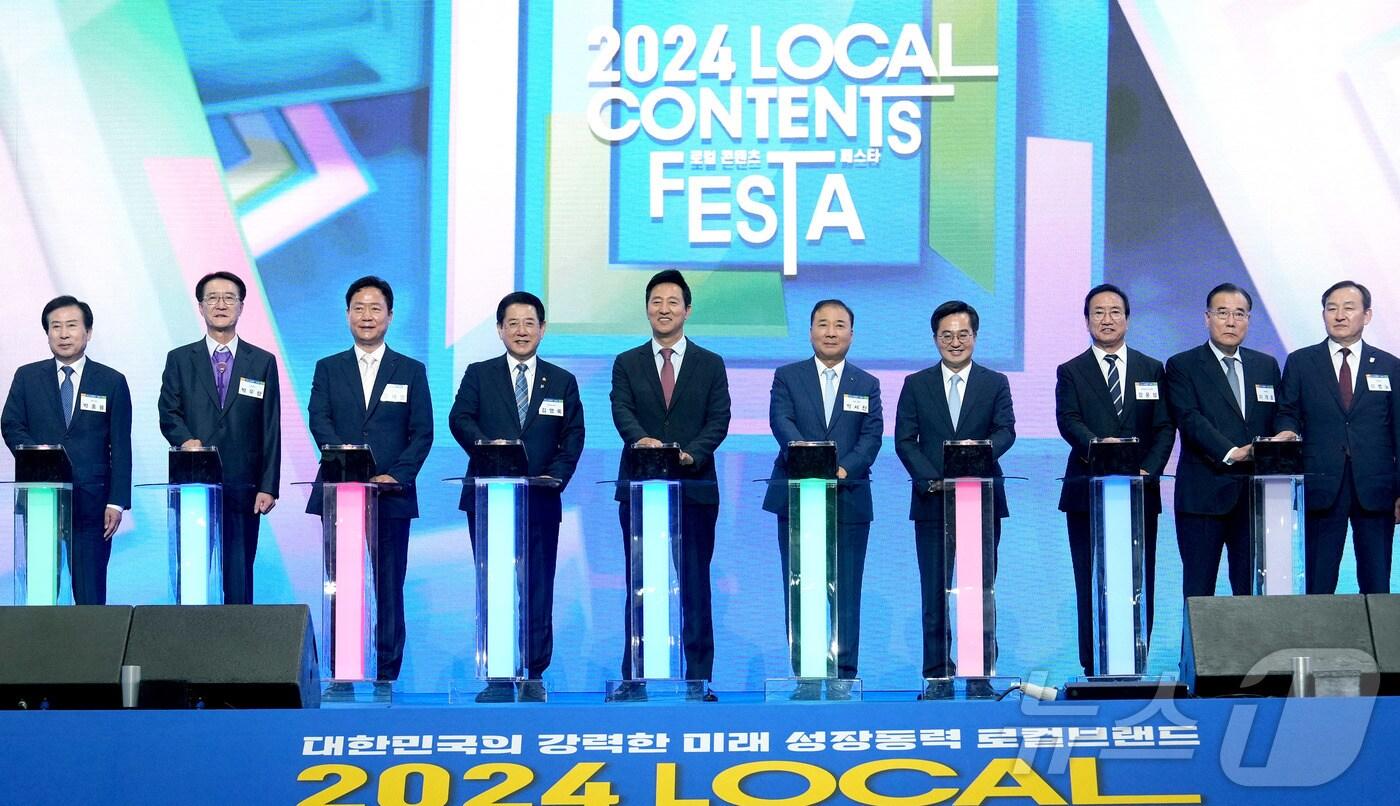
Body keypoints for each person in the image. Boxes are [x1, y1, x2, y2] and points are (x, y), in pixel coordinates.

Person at [449, 291, 585, 702]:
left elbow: (573, 436)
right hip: (490, 498)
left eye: (529, 323)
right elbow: (460, 418)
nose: (521, 331)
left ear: (543, 329)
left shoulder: (561, 381)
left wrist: (556, 477)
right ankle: (498, 674)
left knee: (538, 588)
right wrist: (488, 449)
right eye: (513, 323)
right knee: (495, 586)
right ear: (499, 329)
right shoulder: (479, 374)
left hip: (540, 499)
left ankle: (533, 674)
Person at [610, 269, 730, 700]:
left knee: (695, 586)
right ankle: (636, 678)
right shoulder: (627, 363)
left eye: (672, 302)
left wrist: (690, 454)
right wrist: (641, 440)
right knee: (641, 585)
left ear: (687, 310)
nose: (664, 309)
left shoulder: (710, 363)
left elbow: (719, 419)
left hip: (693, 489)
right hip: (641, 488)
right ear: (647, 308)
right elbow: (622, 410)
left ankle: (698, 680)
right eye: (656, 301)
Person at [306, 276, 432, 684]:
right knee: (341, 584)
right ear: (347, 314)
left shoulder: (410, 370)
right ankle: (342, 672)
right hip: (340, 493)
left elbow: (422, 432)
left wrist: (396, 475)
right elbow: (319, 419)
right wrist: (346, 462)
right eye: (358, 308)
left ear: (390, 316)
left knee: (389, 586)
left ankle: (386, 675)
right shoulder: (328, 368)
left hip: (390, 496)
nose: (366, 316)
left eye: (375, 308)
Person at [763, 299, 882, 698]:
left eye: (839, 325)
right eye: (823, 324)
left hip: (849, 498)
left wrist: (843, 469)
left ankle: (844, 676)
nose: (831, 332)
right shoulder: (787, 377)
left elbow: (871, 437)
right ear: (811, 331)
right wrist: (810, 462)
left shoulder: (866, 384)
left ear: (852, 333)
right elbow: (781, 422)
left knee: (846, 591)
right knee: (801, 589)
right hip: (798, 495)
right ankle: (807, 676)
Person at [894, 300, 1015, 693]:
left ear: (975, 337)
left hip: (981, 499)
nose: (955, 342)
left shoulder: (995, 382)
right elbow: (904, 440)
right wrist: (934, 478)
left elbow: (1006, 430)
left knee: (979, 591)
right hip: (933, 501)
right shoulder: (916, 384)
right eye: (946, 335)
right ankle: (937, 676)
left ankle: (980, 676)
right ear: (935, 339)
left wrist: (975, 458)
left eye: (963, 334)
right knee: (934, 592)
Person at [1055, 283, 1174, 676]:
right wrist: (1098, 448)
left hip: (1139, 492)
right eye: (1098, 312)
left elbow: (1164, 427)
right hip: (1087, 491)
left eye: (1115, 312)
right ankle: (1093, 666)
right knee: (1090, 581)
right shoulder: (1071, 371)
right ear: (1087, 320)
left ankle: (1136, 662)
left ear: (1127, 318)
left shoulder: (1151, 369)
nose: (1107, 319)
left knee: (1138, 578)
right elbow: (1068, 420)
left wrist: (1149, 470)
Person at [157, 271, 280, 604]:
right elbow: (168, 412)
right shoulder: (180, 359)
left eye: (229, 298)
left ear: (241, 306)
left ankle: (239, 637)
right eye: (212, 298)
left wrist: (268, 485)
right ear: (200, 307)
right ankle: (190, 637)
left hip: (244, 486)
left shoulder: (262, 362)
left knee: (239, 578)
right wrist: (186, 441)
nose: (221, 304)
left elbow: (271, 427)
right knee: (192, 575)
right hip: (193, 483)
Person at [2, 296, 131, 604]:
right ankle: (42, 637)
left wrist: (116, 502)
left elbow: (120, 446)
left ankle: (94, 638)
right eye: (55, 327)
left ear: (88, 332)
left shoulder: (111, 381)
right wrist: (42, 458)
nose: (63, 334)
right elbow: (11, 424)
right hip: (41, 497)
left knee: (90, 594)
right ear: (47, 333)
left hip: (92, 503)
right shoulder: (27, 377)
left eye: (71, 326)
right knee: (41, 590)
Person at [1276, 280, 1400, 594]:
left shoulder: (1390, 365)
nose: (1339, 315)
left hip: (1376, 487)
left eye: (1348, 308)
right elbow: (1287, 410)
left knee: (1377, 583)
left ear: (1367, 315)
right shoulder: (1301, 362)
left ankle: (1376, 629)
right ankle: (1317, 629)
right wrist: (1287, 430)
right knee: (1319, 583)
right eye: (1331, 308)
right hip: (1321, 483)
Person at [1165, 283, 1281, 598]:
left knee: (1251, 592)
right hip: (1203, 494)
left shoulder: (1266, 366)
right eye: (1222, 313)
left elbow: (1280, 414)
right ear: (1207, 318)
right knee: (1199, 591)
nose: (1231, 321)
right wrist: (1231, 452)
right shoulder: (1183, 365)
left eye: (1239, 314)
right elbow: (1189, 418)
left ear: (1248, 320)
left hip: (1254, 498)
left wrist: (1285, 433)